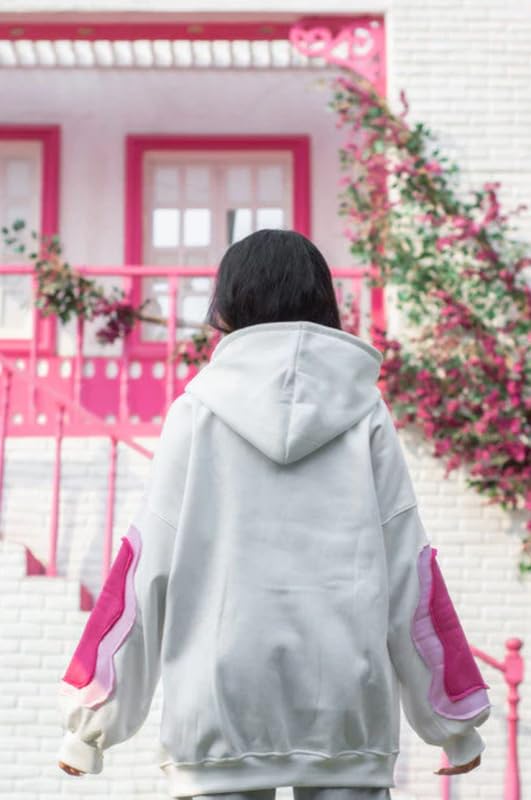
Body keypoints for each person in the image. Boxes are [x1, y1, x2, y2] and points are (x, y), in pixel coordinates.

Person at [56, 229, 490, 799]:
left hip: (217, 704)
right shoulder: (366, 413)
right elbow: (409, 567)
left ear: (229, 302)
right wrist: (454, 722)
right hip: (346, 703)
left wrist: (90, 727)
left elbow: (144, 569)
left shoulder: (197, 412)